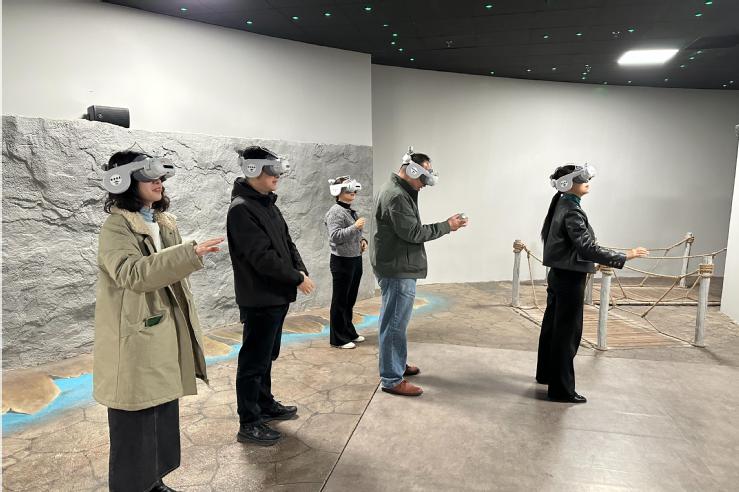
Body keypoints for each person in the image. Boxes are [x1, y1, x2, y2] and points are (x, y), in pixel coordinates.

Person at [94, 150, 223, 492]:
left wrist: (186, 254)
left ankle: (153, 482)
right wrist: (189, 253)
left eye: (160, 177)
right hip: (135, 336)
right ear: (124, 181)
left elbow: (169, 272)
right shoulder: (117, 226)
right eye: (149, 177)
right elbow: (131, 274)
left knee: (161, 416)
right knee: (135, 420)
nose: (159, 183)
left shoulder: (164, 222)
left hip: (164, 331)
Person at [227, 145, 316, 446]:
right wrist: (296, 278)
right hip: (260, 298)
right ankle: (249, 422)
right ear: (253, 170)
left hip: (275, 296)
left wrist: (300, 270)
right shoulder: (241, 209)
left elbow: (287, 243)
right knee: (253, 362)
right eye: (272, 170)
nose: (278, 176)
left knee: (266, 356)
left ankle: (264, 404)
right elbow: (262, 258)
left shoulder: (267, 204)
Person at [538, 163, 649, 403]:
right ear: (568, 184)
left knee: (553, 328)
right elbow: (587, 248)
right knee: (567, 333)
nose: (587, 182)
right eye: (581, 178)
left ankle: (546, 374)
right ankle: (561, 390)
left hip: (559, 274)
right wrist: (625, 255)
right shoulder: (572, 210)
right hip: (570, 278)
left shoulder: (561, 203)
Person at [372, 147, 468, 396]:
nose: (424, 185)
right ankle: (391, 379)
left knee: (395, 321)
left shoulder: (399, 190)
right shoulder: (396, 196)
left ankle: (397, 364)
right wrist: (447, 226)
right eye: (423, 179)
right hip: (397, 267)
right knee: (394, 323)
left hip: (396, 263)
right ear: (412, 171)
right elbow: (413, 233)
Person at [325, 176, 369, 349]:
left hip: (354, 259)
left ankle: (348, 332)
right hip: (342, 261)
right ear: (338, 192)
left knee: (349, 300)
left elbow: (354, 235)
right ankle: (338, 339)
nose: (353, 193)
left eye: (353, 190)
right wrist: (355, 227)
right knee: (340, 300)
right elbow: (335, 236)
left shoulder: (350, 211)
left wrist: (362, 240)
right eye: (348, 190)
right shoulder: (336, 212)